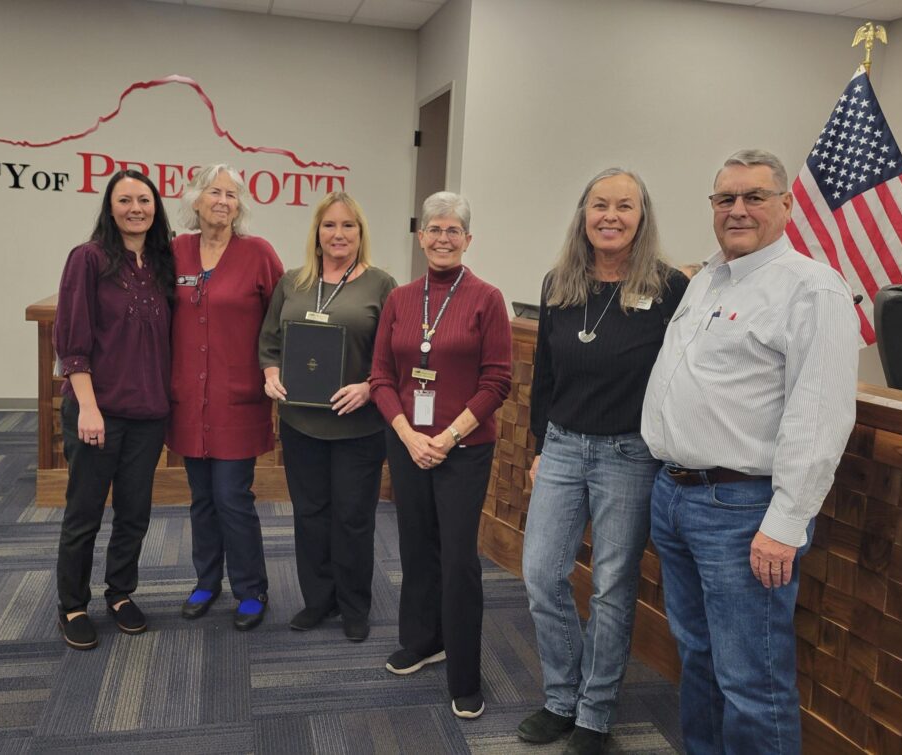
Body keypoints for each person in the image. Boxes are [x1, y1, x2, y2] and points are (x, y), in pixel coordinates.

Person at [642, 149, 858, 753]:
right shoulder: (707, 277)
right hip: (676, 496)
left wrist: (786, 524)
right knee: (699, 658)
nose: (737, 209)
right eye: (725, 198)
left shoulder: (812, 289)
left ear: (786, 205)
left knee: (751, 680)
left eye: (754, 196)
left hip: (742, 511)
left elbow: (820, 417)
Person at [518, 168, 689, 754]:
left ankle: (594, 712)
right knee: (542, 575)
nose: (610, 216)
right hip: (563, 446)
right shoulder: (559, 282)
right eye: (599, 204)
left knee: (613, 586)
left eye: (624, 206)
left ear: (642, 217)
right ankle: (560, 698)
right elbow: (544, 373)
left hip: (629, 455)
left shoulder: (668, 288)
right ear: (583, 213)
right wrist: (540, 447)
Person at [370, 191, 511, 720]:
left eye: (454, 231)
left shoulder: (486, 298)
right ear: (421, 236)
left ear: (468, 240)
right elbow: (382, 377)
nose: (443, 238)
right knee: (414, 545)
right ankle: (423, 639)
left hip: (465, 449)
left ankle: (465, 673)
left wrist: (446, 438)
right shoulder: (400, 299)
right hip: (406, 444)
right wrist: (408, 435)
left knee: (457, 559)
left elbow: (497, 381)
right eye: (434, 229)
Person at [258, 192, 396, 642]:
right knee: (310, 514)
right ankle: (318, 600)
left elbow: (392, 354)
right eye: (330, 225)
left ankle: (355, 606)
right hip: (301, 424)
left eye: (348, 226)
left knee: (353, 517)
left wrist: (369, 386)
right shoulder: (292, 283)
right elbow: (269, 342)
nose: (339, 234)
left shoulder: (381, 285)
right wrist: (272, 374)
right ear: (317, 233)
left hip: (358, 425)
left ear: (361, 234)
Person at [53, 169, 175, 650]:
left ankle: (121, 593)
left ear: (155, 207)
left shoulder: (163, 263)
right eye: (124, 200)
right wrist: (88, 407)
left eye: (143, 200)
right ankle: (72, 604)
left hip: (148, 412)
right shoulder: (89, 259)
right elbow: (72, 342)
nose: (135, 208)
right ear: (109, 207)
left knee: (134, 512)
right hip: (95, 410)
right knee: (84, 512)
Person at [168, 164, 284, 631]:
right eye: (213, 192)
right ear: (194, 201)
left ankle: (251, 588)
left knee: (232, 496)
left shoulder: (258, 253)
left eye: (231, 195)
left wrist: (276, 370)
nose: (222, 201)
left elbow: (281, 320)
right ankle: (206, 580)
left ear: (240, 207)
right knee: (201, 497)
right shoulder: (174, 250)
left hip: (236, 399)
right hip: (188, 400)